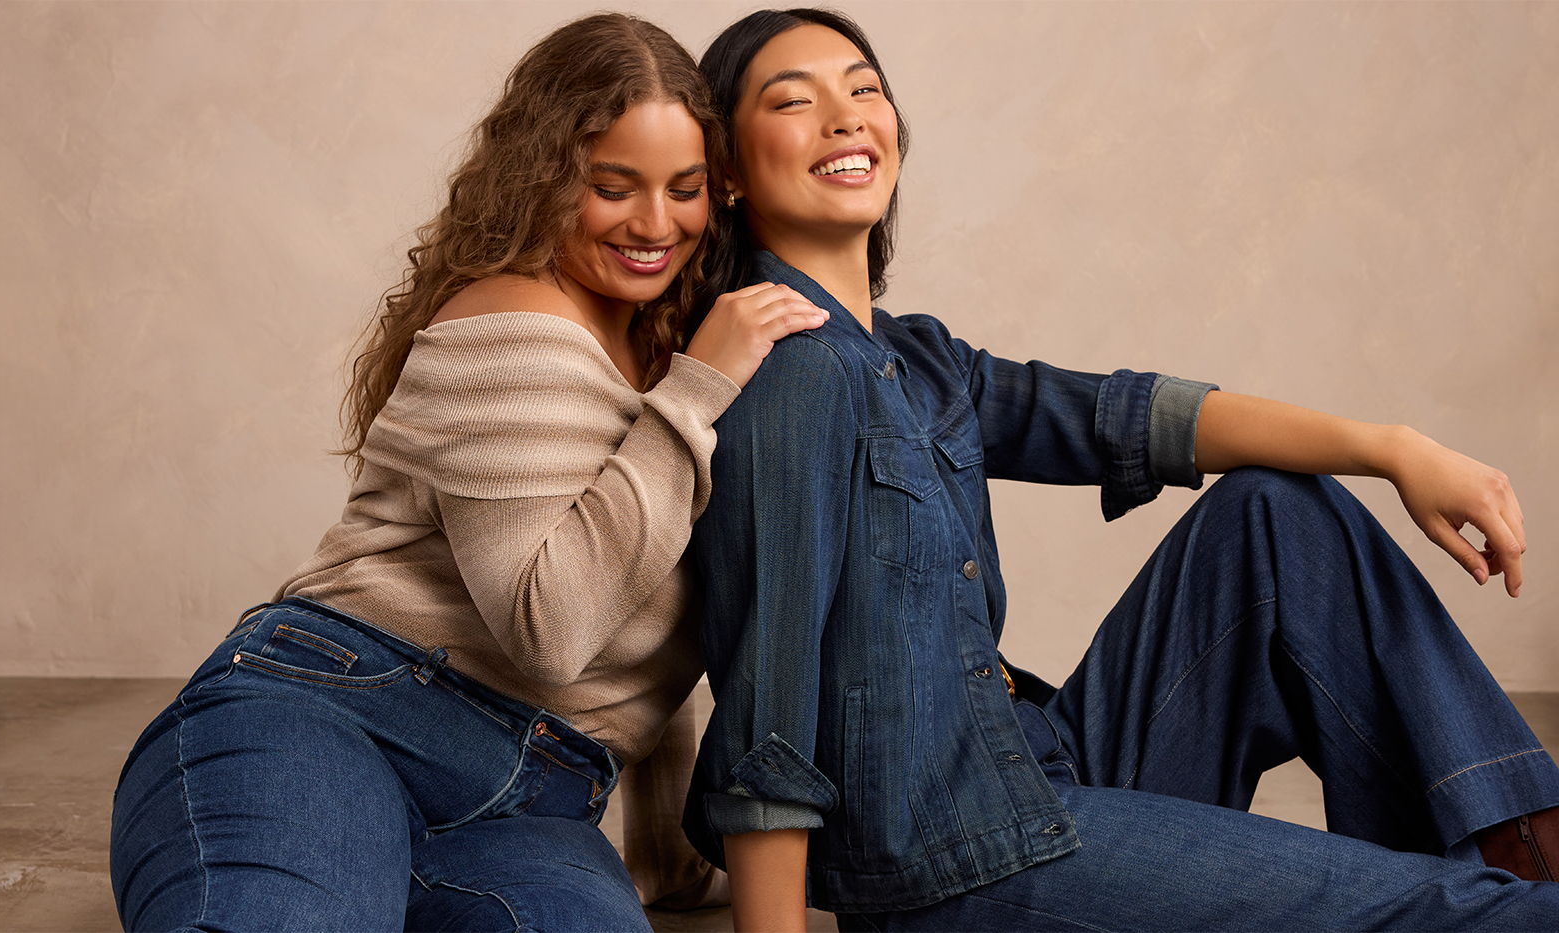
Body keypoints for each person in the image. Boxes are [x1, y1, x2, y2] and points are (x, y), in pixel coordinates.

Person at [681, 8, 1559, 931]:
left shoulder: (920, 359)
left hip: (1037, 766)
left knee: (1274, 515)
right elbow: (766, 708)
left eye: (865, 89)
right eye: (794, 101)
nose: (846, 116)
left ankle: (1523, 841)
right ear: (727, 170)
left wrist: (1395, 448)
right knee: (1450, 909)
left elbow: (1126, 417)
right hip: (957, 860)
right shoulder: (789, 368)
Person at [107, 12, 829, 931]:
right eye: (612, 187)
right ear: (543, 178)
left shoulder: (658, 344)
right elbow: (552, 628)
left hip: (533, 801)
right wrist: (694, 394)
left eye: (684, 189)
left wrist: (667, 856)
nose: (657, 224)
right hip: (337, 716)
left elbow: (640, 606)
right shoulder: (517, 323)